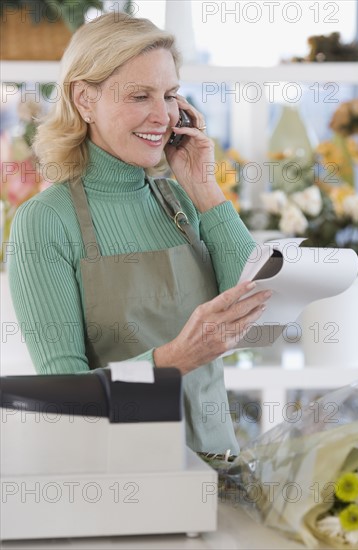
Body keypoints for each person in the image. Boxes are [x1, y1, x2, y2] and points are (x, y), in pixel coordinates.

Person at [8, 12, 271, 454]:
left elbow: (251, 305)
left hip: (219, 462)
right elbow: (63, 394)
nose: (162, 116)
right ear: (85, 100)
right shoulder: (46, 221)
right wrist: (173, 361)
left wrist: (205, 188)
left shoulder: (179, 199)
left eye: (170, 95)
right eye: (139, 95)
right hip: (126, 474)